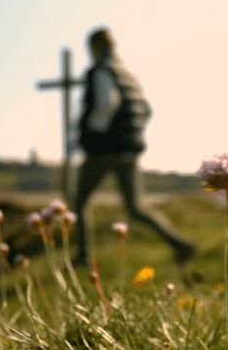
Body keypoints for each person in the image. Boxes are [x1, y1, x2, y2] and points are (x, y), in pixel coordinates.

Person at [71, 27, 195, 267]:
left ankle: (83, 257)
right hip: (130, 150)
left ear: (94, 47)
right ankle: (181, 244)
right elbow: (146, 110)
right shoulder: (128, 73)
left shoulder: (101, 70)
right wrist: (132, 134)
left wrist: (91, 132)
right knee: (135, 207)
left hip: (103, 149)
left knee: (80, 202)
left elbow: (107, 103)